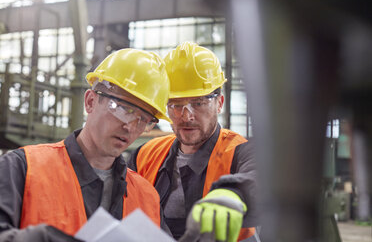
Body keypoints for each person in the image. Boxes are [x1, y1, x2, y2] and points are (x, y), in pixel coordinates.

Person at [0, 48, 171, 241]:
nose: (130, 127)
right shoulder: (22, 169)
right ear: (90, 101)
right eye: (123, 109)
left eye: (143, 119)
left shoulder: (147, 197)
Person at [128, 42, 259, 242]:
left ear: (219, 103)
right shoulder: (145, 154)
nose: (186, 116)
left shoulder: (239, 151)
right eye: (175, 104)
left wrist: (234, 194)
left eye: (198, 103)